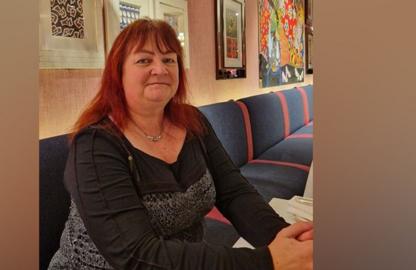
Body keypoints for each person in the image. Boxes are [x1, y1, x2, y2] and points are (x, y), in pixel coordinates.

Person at [48, 19, 313, 270]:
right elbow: (135, 256)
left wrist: (287, 240)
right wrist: (267, 261)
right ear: (118, 74)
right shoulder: (96, 145)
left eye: (168, 59)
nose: (160, 69)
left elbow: (234, 193)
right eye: (144, 60)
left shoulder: (193, 122)